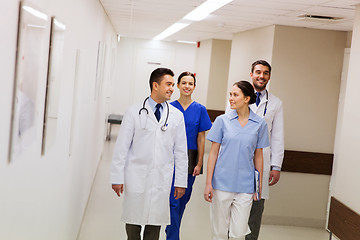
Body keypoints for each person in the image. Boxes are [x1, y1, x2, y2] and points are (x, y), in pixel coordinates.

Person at [110, 68, 188, 240]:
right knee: (133, 223)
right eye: (168, 84)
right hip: (136, 175)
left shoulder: (176, 116)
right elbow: (121, 147)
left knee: (154, 226)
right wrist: (117, 177)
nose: (172, 89)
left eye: (173, 85)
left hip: (162, 177)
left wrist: (180, 181)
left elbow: (181, 152)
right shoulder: (134, 112)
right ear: (155, 85)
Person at [204, 81, 269, 240]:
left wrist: (258, 186)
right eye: (230, 95)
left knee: (239, 233)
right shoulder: (222, 121)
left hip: (245, 186)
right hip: (222, 183)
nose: (231, 98)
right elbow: (213, 154)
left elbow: (258, 156)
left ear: (247, 99)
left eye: (235, 95)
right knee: (219, 232)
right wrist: (208, 183)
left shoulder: (259, 124)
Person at [165, 72, 212, 240]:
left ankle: (171, 230)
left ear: (194, 86)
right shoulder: (169, 107)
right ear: (177, 85)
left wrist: (199, 163)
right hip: (171, 158)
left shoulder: (200, 109)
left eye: (190, 83)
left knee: (182, 201)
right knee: (173, 201)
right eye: (183, 83)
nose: (187, 86)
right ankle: (173, 236)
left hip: (191, 159)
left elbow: (201, 137)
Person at [246, 60, 284, 240]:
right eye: (258, 72)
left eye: (266, 73)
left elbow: (277, 136)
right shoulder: (239, 96)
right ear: (251, 74)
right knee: (235, 207)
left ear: (269, 76)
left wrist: (276, 166)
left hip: (262, 163)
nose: (262, 76)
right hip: (239, 160)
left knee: (256, 209)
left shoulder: (276, 103)